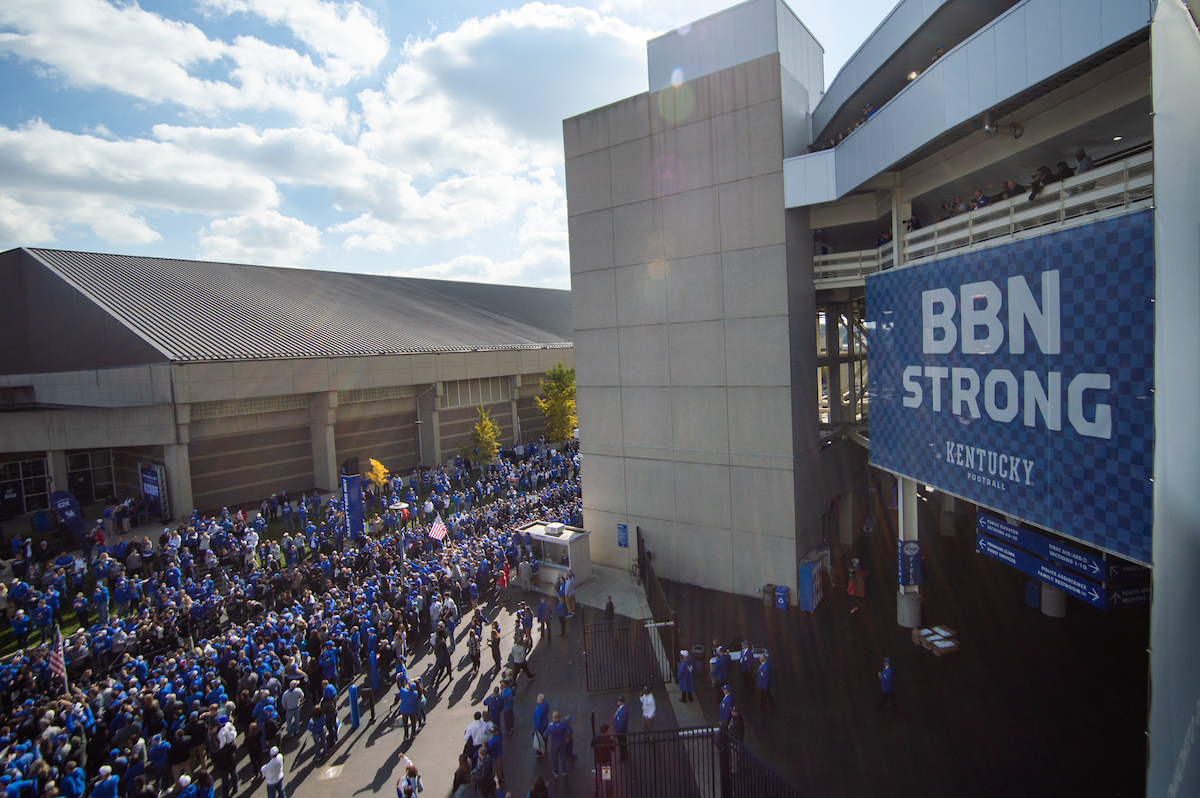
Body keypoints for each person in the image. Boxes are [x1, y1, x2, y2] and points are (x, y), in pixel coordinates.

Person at [546, 710, 569, 778]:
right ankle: (564, 771)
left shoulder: (551, 726)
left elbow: (545, 734)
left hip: (554, 744)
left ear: (553, 717)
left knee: (555, 758)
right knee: (563, 757)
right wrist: (567, 738)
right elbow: (568, 731)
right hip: (562, 742)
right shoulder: (563, 724)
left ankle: (556, 772)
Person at [532, 695, 549, 759]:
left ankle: (540, 753)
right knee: (545, 737)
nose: (537, 701)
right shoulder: (546, 704)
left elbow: (537, 720)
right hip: (545, 723)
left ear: (540, 700)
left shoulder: (539, 709)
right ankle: (545, 748)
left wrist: (535, 729)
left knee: (539, 739)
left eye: (538, 700)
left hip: (540, 727)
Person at [613, 697, 629, 763]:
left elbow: (622, 723)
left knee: (622, 743)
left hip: (620, 731)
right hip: (620, 730)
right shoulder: (623, 708)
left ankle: (624, 755)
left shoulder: (623, 712)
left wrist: (618, 731)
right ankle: (624, 754)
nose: (617, 702)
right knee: (623, 743)